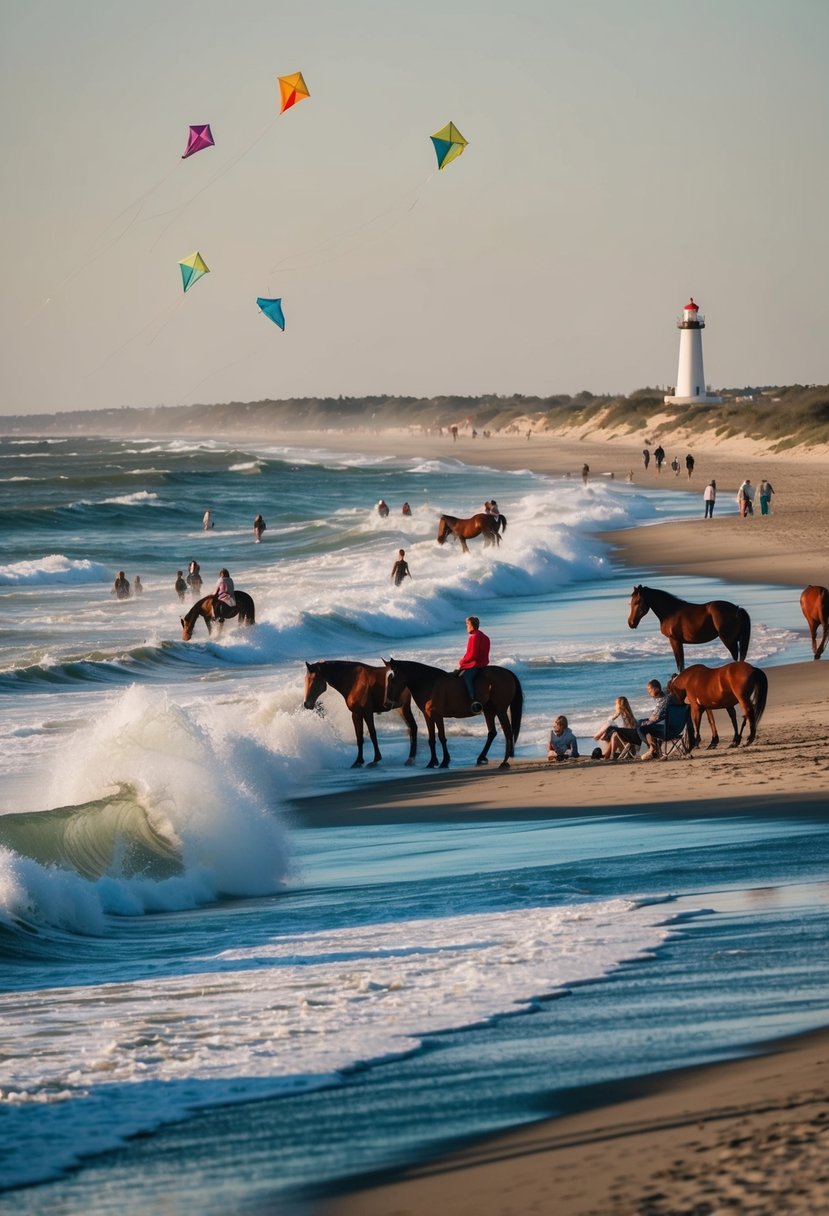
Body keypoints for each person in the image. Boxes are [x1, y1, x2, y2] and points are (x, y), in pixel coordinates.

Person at [457, 615, 490, 713]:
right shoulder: (485, 637)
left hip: (475, 664)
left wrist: (462, 661)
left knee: (467, 677)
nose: (466, 627)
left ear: (471, 625)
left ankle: (473, 701)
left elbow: (472, 655)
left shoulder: (474, 637)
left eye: (467, 624)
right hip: (483, 663)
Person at [637, 679, 670, 760]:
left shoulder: (662, 701)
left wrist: (649, 720)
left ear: (656, 689)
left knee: (641, 727)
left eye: (650, 689)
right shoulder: (665, 697)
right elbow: (655, 716)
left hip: (664, 728)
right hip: (669, 725)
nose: (648, 692)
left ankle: (652, 748)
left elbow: (655, 718)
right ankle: (653, 749)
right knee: (641, 722)